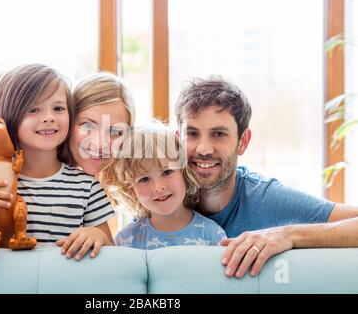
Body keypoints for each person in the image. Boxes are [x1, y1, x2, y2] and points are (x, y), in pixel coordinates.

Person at [175, 76, 358, 278]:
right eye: (192, 134)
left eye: (218, 134)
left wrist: (289, 234)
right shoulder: (161, 194)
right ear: (177, 139)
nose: (203, 149)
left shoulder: (266, 198)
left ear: (243, 141)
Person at [0, 64, 115, 263]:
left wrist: (99, 237)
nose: (49, 117)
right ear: (8, 117)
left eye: (58, 108)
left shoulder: (87, 187)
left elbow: (112, 256)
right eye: (33, 109)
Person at [103, 123, 226, 249]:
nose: (158, 187)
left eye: (167, 172)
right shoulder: (125, 241)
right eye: (144, 179)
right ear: (131, 189)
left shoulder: (212, 235)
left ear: (184, 172)